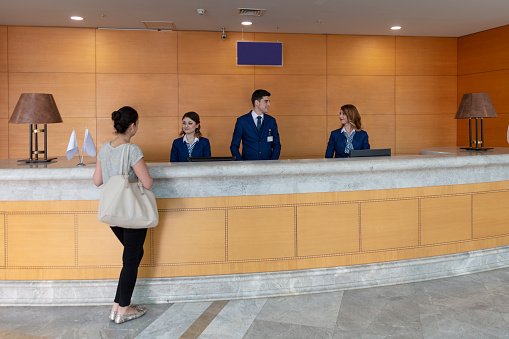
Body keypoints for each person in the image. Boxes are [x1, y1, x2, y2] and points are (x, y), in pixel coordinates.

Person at [93, 106, 153, 324]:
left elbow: (97, 181)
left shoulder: (104, 149)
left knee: (133, 256)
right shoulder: (132, 149)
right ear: (133, 126)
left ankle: (117, 306)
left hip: (112, 213)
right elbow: (147, 182)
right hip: (131, 213)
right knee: (131, 260)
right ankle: (124, 310)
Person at [230, 89, 281, 160]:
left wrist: (272, 163)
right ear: (257, 102)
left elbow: (277, 145)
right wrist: (241, 164)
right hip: (248, 167)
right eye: (266, 101)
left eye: (269, 101)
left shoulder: (271, 121)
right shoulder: (242, 121)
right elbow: (234, 146)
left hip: (268, 166)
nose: (269, 104)